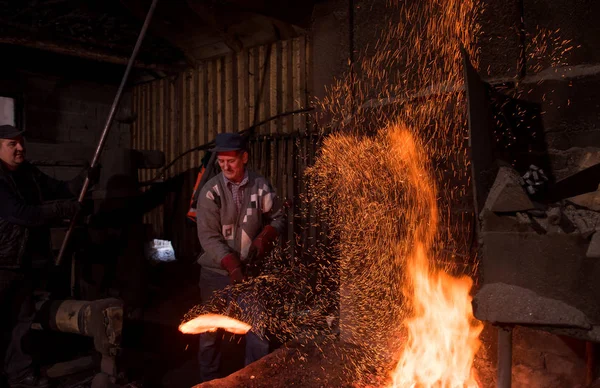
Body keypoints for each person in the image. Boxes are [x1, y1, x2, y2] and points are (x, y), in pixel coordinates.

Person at [0, 125, 95, 388]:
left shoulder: (28, 172)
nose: (20, 148)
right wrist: (63, 209)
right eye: (12, 144)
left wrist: (85, 179)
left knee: (21, 322)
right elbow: (21, 213)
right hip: (1, 262)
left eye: (21, 143)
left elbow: (61, 189)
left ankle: (19, 374)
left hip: (24, 262)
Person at [196, 132, 285, 382]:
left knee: (258, 330)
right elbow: (209, 238)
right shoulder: (211, 192)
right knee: (209, 334)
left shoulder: (260, 186)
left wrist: (265, 236)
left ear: (244, 157)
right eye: (221, 161)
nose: (225, 166)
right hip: (215, 275)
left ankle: (252, 381)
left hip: (251, 274)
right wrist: (231, 264)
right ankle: (208, 382)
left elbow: (279, 217)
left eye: (231, 161)